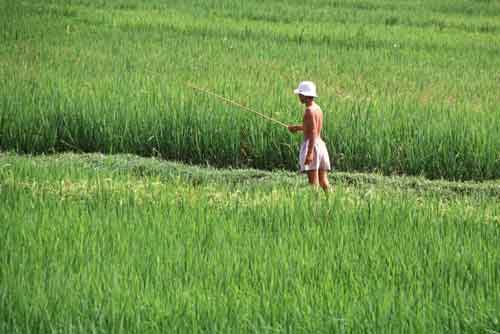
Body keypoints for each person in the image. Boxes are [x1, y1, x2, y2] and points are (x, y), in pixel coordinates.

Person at [288, 81, 331, 192]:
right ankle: (331, 202)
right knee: (324, 182)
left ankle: (315, 207)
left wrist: (310, 153)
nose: (298, 96)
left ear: (304, 95)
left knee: (314, 183)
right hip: (320, 145)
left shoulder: (308, 111)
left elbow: (312, 132)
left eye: (300, 94)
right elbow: (313, 128)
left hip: (313, 146)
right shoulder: (317, 108)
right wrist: (297, 128)